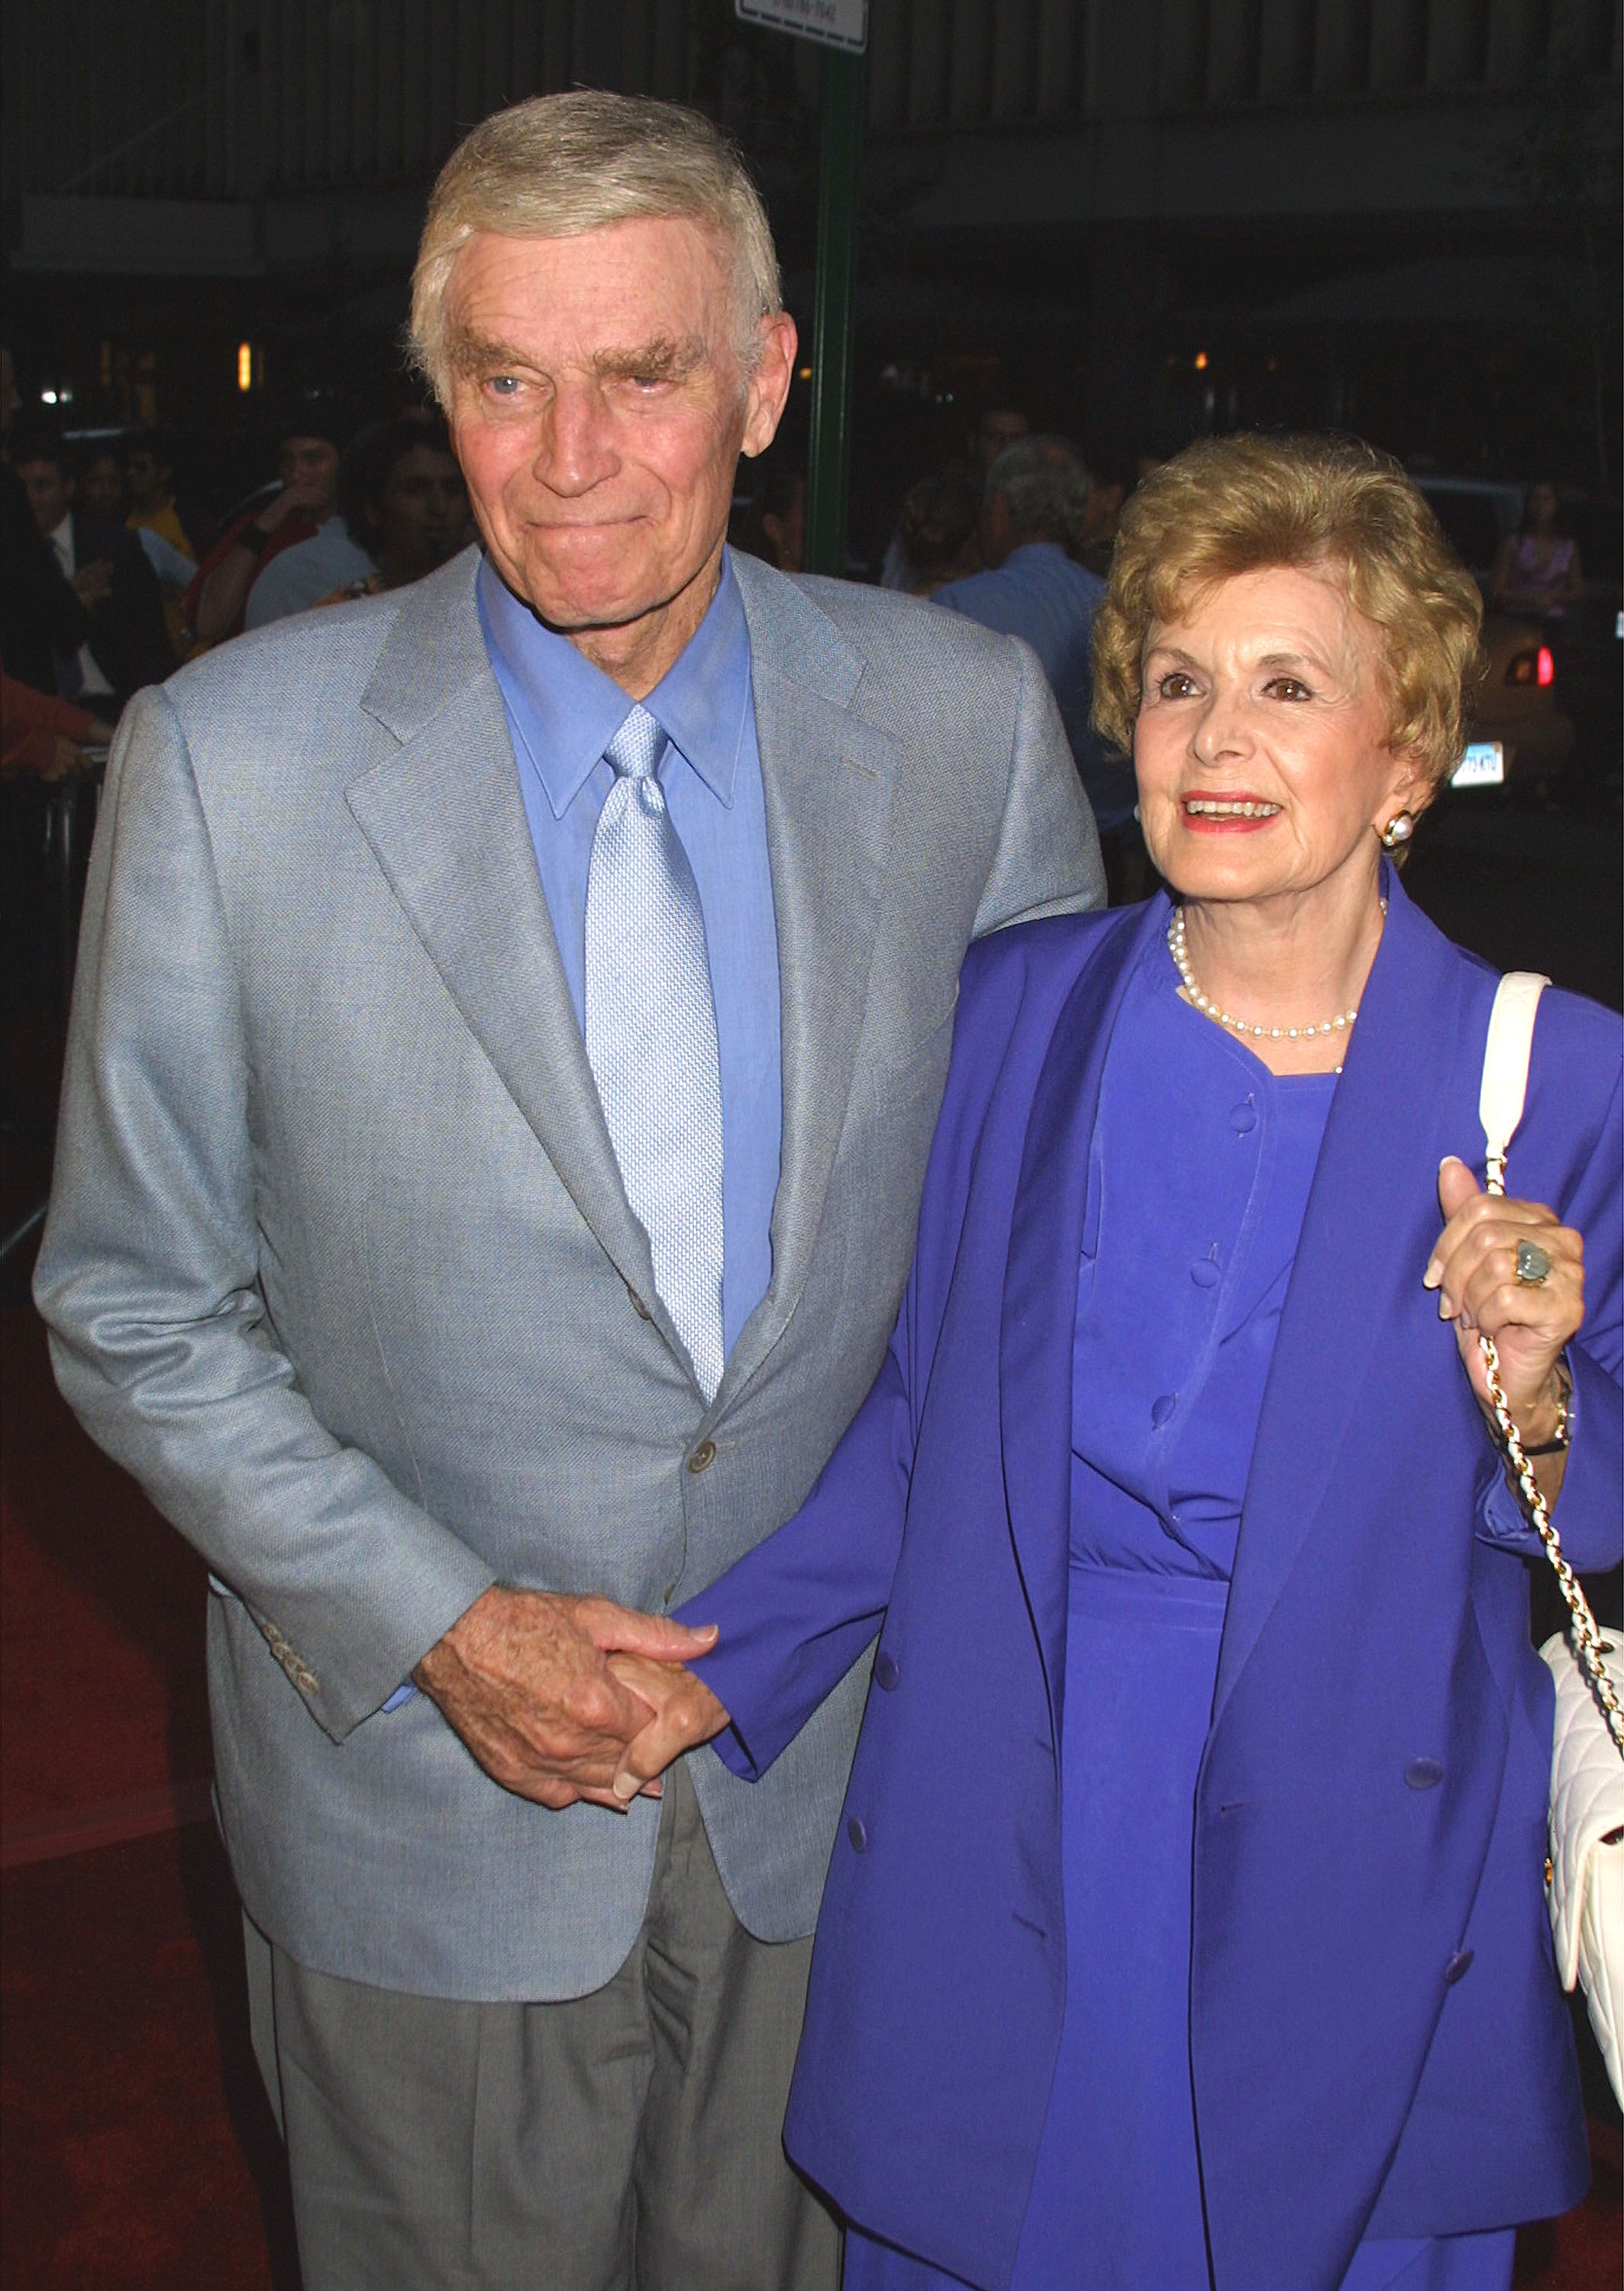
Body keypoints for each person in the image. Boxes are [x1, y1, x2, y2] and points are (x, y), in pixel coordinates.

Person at [33, 89, 1103, 2291]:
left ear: (766, 381)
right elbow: (134, 1300)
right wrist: (446, 1627)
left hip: (836, 1796)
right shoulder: (227, 761)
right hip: (425, 1814)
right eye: (506, 379)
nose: (572, 455)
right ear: (442, 392)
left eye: (643, 373)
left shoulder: (962, 728)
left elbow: (1030, 1275)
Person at [622, 434, 1624, 2291]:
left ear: (1403, 759)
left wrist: (1536, 1384)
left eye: (1283, 684)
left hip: (1350, 1865)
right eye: (1174, 682)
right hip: (1007, 1793)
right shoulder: (1020, 1008)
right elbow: (924, 1424)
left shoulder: (1551, 1081)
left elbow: (1588, 1488)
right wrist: (708, 1672)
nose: (1211, 736)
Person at [934, 437, 1136, 845]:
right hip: (1116, 849)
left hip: (999, 849)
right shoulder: (1116, 607)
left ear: (998, 509)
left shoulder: (956, 607)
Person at [11, 425, 173, 715]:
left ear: (68, 487)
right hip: (45, 714)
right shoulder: (12, 559)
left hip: (116, 704)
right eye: (22, 489)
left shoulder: (116, 550)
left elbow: (151, 647)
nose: (31, 499)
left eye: (42, 486)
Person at [182, 418, 350, 648]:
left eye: (313, 461)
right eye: (287, 462)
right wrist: (268, 522)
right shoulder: (259, 525)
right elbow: (208, 624)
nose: (297, 475)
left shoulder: (364, 528)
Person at [312, 409, 475, 603]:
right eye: (415, 490)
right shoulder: (341, 616)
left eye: (452, 489)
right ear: (373, 509)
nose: (439, 506)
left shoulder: (499, 607)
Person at [1490, 480, 1584, 622]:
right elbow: (1497, 591)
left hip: (1556, 622)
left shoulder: (1567, 546)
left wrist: (1555, 597)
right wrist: (1532, 599)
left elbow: (1578, 591)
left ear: (1556, 504)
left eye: (1547, 499)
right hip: (1519, 620)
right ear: (1528, 504)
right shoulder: (1513, 544)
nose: (1541, 505)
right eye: (1536, 499)